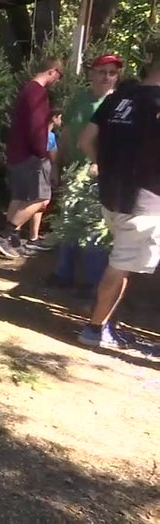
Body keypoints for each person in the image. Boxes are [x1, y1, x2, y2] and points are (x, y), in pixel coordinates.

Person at [75, 53, 160, 351]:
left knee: (122, 264)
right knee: (120, 266)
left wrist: (106, 167)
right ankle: (94, 329)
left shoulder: (118, 98)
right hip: (145, 205)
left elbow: (85, 140)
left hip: (112, 197)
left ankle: (106, 322)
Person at [46, 54, 124, 292]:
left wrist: (101, 164)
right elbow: (67, 135)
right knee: (67, 222)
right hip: (73, 171)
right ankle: (63, 274)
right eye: (102, 72)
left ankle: (92, 283)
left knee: (94, 229)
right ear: (91, 74)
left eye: (112, 73)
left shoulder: (120, 104)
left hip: (100, 174)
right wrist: (57, 166)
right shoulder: (79, 99)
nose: (107, 77)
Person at [0, 57, 64, 258]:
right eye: (59, 75)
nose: (58, 80)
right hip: (31, 155)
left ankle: (12, 241)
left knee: (20, 197)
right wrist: (42, 151)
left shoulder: (27, 90)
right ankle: (4, 234)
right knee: (42, 198)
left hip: (18, 153)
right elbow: (36, 126)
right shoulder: (37, 92)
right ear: (52, 71)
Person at [23, 107, 63, 251]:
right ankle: (12, 230)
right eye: (60, 117)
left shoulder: (36, 133)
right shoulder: (48, 136)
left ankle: (33, 237)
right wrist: (55, 174)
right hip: (42, 170)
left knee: (37, 203)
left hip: (30, 169)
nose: (62, 121)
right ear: (54, 118)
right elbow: (53, 158)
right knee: (41, 201)